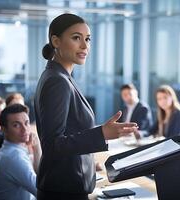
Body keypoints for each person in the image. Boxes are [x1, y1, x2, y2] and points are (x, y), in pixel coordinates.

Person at [34, 13, 137, 200]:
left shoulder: (59, 76)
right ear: (56, 41)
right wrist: (101, 134)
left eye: (87, 39)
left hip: (67, 185)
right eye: (76, 38)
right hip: (62, 190)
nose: (85, 46)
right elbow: (52, 145)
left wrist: (99, 136)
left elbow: (71, 132)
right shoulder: (57, 81)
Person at [0, 104, 40, 200]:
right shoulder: (14, 157)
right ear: (4, 129)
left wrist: (36, 147)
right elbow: (42, 192)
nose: (24, 129)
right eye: (16, 125)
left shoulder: (6, 151)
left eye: (26, 123)